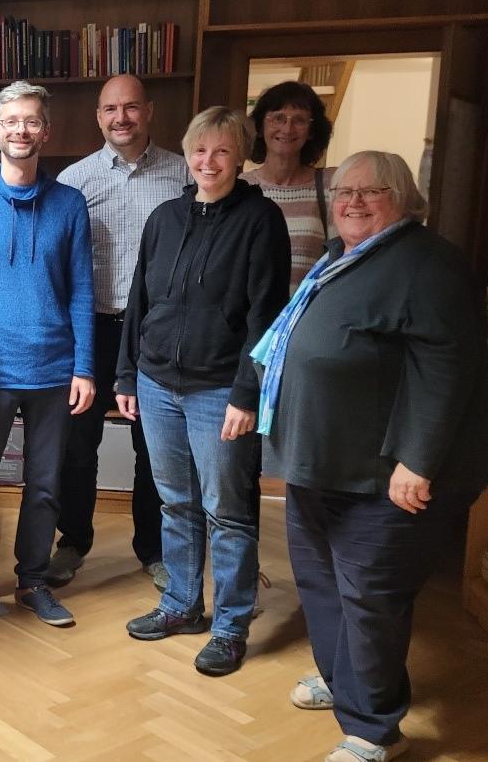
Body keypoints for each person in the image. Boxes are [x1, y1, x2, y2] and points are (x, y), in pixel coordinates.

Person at [254, 151, 488, 762]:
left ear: (406, 198)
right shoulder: (346, 255)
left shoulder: (429, 265)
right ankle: (348, 683)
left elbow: (447, 370)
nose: (354, 201)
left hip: (383, 472)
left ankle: (372, 729)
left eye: (373, 191)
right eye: (344, 191)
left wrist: (418, 461)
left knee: (369, 596)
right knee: (319, 581)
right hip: (324, 461)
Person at [115, 106, 289, 677]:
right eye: (199, 150)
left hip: (221, 390)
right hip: (157, 382)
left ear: (240, 157)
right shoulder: (165, 218)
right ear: (186, 155)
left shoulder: (261, 221)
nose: (208, 161)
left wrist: (247, 394)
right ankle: (182, 605)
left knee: (228, 512)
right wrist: (126, 375)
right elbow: (139, 304)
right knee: (176, 501)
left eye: (221, 151)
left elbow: (266, 317)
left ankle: (231, 625)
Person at [0, 81, 95, 634]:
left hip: (55, 371)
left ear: (45, 131)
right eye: (11, 122)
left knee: (47, 486)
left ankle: (33, 581)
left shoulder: (69, 204)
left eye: (31, 121)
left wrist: (84, 367)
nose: (21, 131)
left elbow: (82, 287)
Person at [53, 74, 188, 591]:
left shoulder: (182, 176)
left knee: (153, 444)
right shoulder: (74, 181)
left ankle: (152, 548)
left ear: (149, 111)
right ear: (98, 116)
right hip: (91, 329)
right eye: (111, 109)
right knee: (75, 442)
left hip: (156, 332)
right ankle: (73, 540)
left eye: (130, 107)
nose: (121, 118)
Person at [242, 81, 336, 290]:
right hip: (251, 319)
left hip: (307, 317)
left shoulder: (330, 186)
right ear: (260, 126)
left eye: (300, 120)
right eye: (278, 118)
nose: (287, 128)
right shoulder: (240, 188)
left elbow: (341, 259)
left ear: (311, 131)